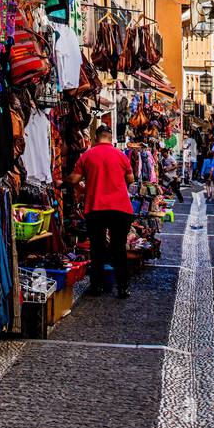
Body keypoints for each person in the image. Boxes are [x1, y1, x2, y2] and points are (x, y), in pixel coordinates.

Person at [68, 125, 135, 299]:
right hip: (121, 208)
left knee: (97, 248)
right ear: (110, 137)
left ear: (96, 137)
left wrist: (82, 188)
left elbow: (74, 179)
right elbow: (130, 179)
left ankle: (96, 286)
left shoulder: (87, 155)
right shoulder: (121, 155)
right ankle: (123, 287)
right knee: (118, 248)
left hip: (96, 207)